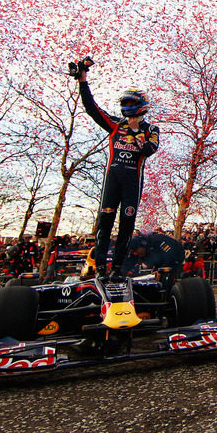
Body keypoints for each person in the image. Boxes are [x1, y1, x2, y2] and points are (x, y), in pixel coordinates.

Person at [76, 61, 160, 279]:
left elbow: (149, 150)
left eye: (131, 101)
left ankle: (117, 269)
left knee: (126, 227)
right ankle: (100, 268)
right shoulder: (115, 124)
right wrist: (82, 80)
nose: (127, 105)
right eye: (125, 101)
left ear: (141, 104)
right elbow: (91, 108)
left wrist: (135, 132)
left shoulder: (151, 129)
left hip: (132, 183)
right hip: (112, 181)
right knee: (104, 226)